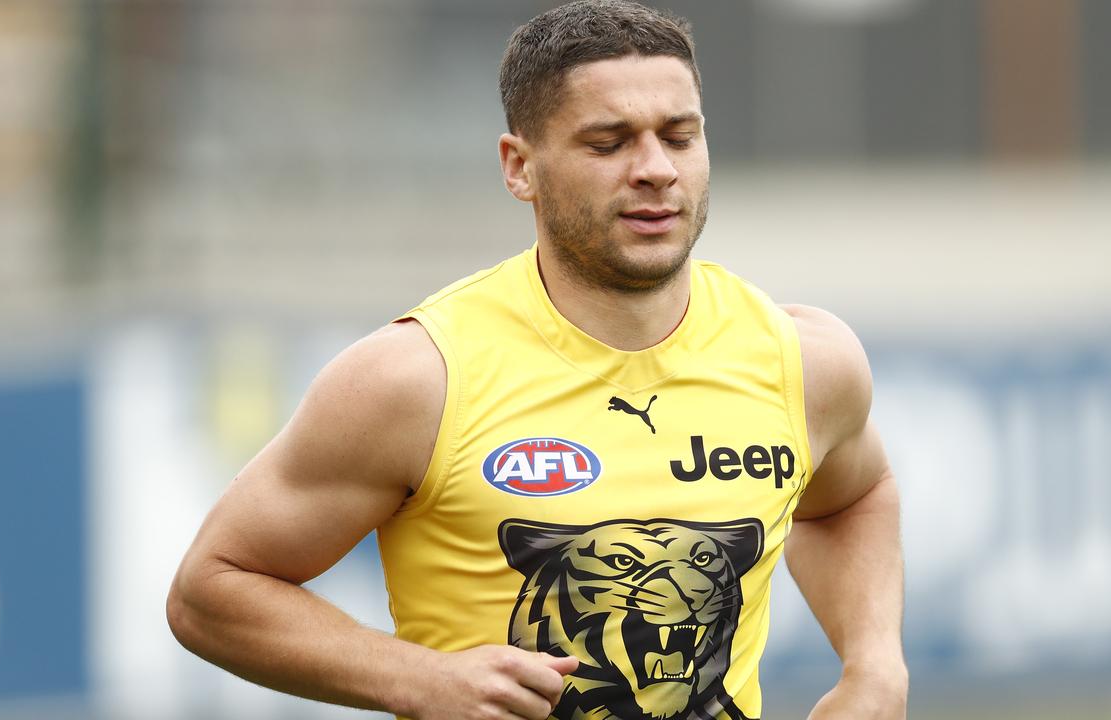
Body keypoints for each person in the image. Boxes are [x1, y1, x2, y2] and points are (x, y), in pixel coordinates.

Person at [166, 2, 907, 719]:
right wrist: (416, 678)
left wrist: (873, 664)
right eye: (608, 142)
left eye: (679, 136)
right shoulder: (420, 378)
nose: (655, 169)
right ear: (519, 167)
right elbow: (211, 590)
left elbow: (850, 499)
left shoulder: (803, 361)